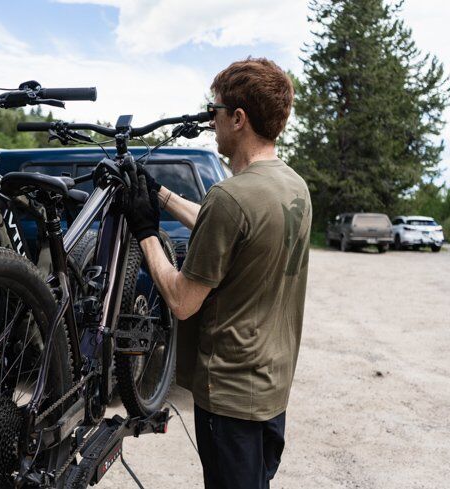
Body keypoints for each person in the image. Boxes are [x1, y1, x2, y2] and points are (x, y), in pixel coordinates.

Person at [124, 57, 311, 489]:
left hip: (230, 396)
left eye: (216, 110)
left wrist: (145, 232)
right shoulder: (292, 186)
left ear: (238, 118)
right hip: (270, 386)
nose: (212, 121)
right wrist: (159, 193)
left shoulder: (231, 197)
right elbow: (233, 230)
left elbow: (181, 301)